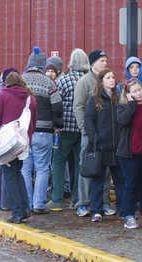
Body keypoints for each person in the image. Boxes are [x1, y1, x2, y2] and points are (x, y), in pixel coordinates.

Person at [0, 72, 37, 224]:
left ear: (6, 83)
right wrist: (27, 139)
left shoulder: (2, 94)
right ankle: (24, 209)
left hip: (7, 143)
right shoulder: (29, 97)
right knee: (18, 174)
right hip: (22, 142)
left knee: (10, 176)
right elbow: (33, 122)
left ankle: (17, 212)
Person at [22, 47, 64, 214]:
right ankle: (38, 203)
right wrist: (57, 125)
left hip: (25, 132)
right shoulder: (49, 83)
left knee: (25, 168)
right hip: (44, 132)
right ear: (42, 65)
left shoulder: (22, 81)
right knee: (42, 168)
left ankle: (25, 202)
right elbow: (58, 107)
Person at [72, 49, 112, 217]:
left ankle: (104, 202)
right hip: (89, 135)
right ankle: (82, 203)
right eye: (102, 60)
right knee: (87, 168)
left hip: (106, 136)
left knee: (106, 170)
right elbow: (78, 106)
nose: (105, 63)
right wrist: (85, 130)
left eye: (106, 60)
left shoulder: (108, 81)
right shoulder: (84, 82)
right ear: (93, 62)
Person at [50, 49, 89, 212]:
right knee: (80, 165)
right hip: (83, 129)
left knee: (58, 162)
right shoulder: (90, 81)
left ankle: (57, 200)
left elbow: (55, 102)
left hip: (65, 128)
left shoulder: (64, 80)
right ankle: (77, 199)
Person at [83, 69, 124, 224]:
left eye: (113, 77)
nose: (112, 80)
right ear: (101, 81)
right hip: (101, 147)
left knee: (120, 180)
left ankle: (123, 209)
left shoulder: (119, 98)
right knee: (98, 181)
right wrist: (95, 139)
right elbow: (89, 120)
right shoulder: (95, 100)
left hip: (117, 147)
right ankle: (96, 210)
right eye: (108, 77)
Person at [116, 79, 142, 229]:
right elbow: (122, 121)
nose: (138, 93)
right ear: (128, 94)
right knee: (130, 185)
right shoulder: (124, 107)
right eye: (134, 92)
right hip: (129, 153)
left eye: (139, 90)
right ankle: (128, 215)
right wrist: (131, 104)